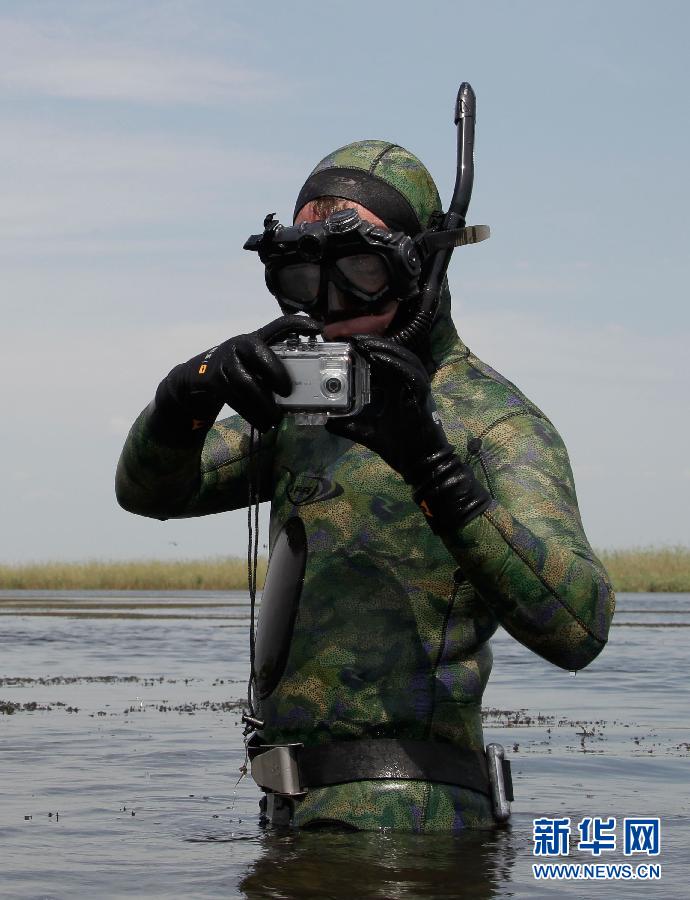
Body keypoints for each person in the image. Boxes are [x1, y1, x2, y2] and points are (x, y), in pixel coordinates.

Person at [116, 140, 615, 833]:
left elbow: (579, 627)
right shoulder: (306, 412)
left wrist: (433, 467)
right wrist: (186, 397)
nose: (331, 304)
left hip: (418, 829)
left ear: (421, 266)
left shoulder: (494, 423)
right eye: (302, 277)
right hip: (293, 817)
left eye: (360, 270)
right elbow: (153, 491)